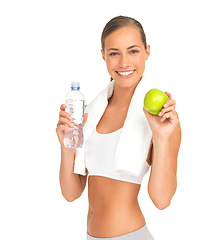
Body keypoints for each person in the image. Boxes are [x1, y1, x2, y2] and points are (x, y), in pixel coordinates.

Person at [56, 16, 181, 240]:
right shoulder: (91, 112)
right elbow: (71, 193)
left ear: (147, 51)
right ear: (103, 55)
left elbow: (162, 201)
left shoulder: (161, 116)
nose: (124, 62)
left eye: (133, 51)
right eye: (114, 53)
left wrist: (161, 138)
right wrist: (66, 144)